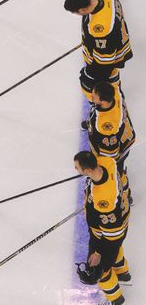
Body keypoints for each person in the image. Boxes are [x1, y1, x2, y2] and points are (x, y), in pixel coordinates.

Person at [74, 151, 131, 305]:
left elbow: (112, 235)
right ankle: (123, 273)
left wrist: (98, 253)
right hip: (120, 217)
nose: (75, 170)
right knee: (115, 250)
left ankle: (116, 299)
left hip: (108, 234)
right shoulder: (107, 162)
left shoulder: (103, 200)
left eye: (77, 167)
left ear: (87, 171)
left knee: (99, 270)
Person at [64, 0, 133, 102]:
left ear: (82, 10)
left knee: (105, 83)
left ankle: (111, 104)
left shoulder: (101, 30)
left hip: (112, 54)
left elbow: (105, 63)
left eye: (75, 12)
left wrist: (89, 75)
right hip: (115, 39)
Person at [84, 81, 135, 204]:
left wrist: (101, 170)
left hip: (118, 148)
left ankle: (125, 196)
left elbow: (110, 157)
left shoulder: (106, 126)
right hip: (124, 135)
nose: (92, 96)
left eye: (94, 95)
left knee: (117, 173)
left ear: (103, 102)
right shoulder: (114, 92)